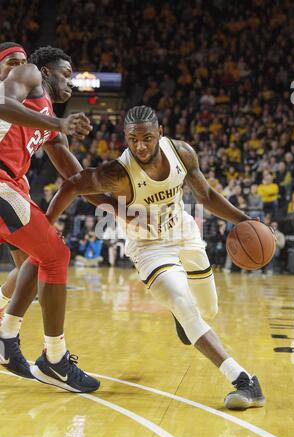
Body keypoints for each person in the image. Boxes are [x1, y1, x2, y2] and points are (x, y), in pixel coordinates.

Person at [46, 105, 266, 410]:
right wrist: (49, 224)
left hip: (185, 233)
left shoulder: (182, 153)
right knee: (183, 304)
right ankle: (244, 381)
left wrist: (244, 221)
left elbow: (205, 196)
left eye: (147, 138)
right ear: (125, 138)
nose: (140, 146)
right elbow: (73, 185)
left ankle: (185, 316)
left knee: (208, 310)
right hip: (150, 247)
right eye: (133, 140)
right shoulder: (118, 172)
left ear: (160, 133)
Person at [0, 42, 108, 393]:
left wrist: (118, 208)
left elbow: (76, 180)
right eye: (66, 74)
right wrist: (58, 120)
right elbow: (2, 102)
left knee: (37, 259)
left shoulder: (49, 126)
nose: (71, 83)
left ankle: (8, 338)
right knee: (54, 255)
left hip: (12, 184)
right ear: (46, 72)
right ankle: (54, 359)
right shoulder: (29, 74)